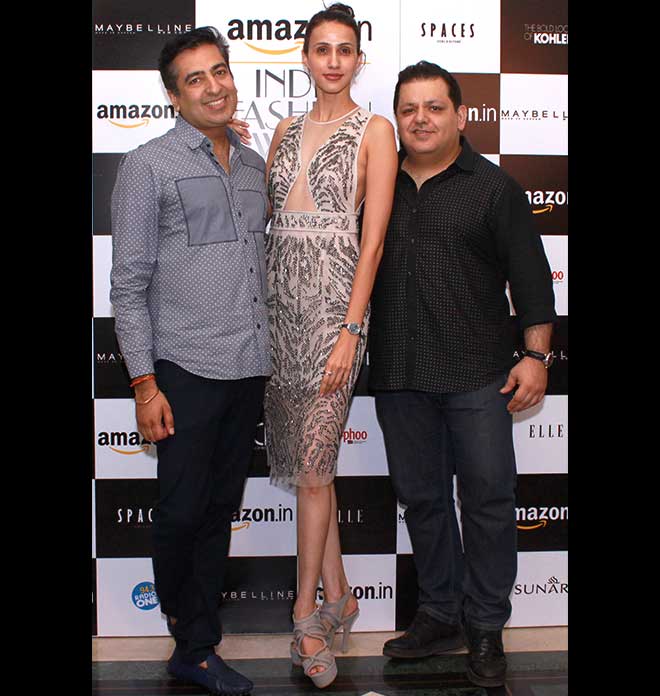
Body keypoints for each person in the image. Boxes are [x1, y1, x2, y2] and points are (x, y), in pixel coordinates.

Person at [368, 61, 557, 689]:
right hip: (398, 372)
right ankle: (440, 614)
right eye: (409, 109)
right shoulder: (377, 181)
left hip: (479, 374)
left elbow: (532, 281)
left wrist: (536, 357)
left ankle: (486, 625)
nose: (420, 119)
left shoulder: (495, 188)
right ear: (398, 117)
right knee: (422, 500)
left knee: (488, 501)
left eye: (435, 107)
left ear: (461, 115)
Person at [110, 26, 270, 696]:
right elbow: (128, 285)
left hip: (249, 366)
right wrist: (145, 385)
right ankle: (187, 628)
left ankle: (197, 648)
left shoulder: (255, 166)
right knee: (181, 513)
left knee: (218, 511)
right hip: (184, 370)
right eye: (195, 79)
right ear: (174, 97)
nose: (213, 86)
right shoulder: (148, 165)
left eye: (219, 71)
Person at [263, 3, 398, 689]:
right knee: (310, 466)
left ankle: (304, 618)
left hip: (334, 316)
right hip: (279, 314)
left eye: (346, 49)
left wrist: (350, 329)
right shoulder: (283, 129)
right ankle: (341, 596)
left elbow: (372, 243)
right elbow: (269, 221)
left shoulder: (376, 130)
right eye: (323, 49)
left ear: (359, 59)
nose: (334, 60)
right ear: (306, 58)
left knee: (313, 466)